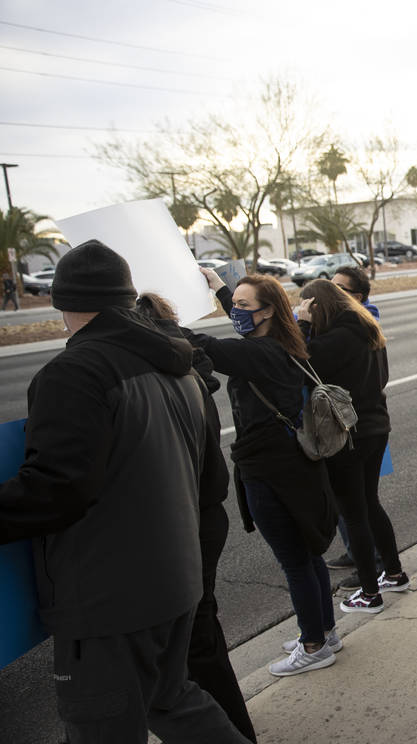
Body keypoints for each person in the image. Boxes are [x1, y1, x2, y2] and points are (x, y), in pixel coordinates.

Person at [0, 240, 250, 743]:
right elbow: (207, 480)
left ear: (61, 303)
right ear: (125, 297)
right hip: (176, 580)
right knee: (174, 701)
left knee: (102, 725)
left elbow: (56, 490)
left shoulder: (74, 373)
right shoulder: (179, 368)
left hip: (106, 599)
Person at [191, 269, 339, 678]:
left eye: (243, 306)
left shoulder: (260, 354)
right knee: (309, 555)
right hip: (294, 465)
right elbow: (239, 328)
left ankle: (313, 646)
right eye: (233, 304)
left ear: (269, 311)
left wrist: (158, 319)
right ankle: (324, 631)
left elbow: (201, 344)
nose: (235, 312)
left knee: (294, 560)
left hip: (270, 470)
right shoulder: (284, 343)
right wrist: (220, 287)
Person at [135, 292, 258, 742]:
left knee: (192, 647)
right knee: (202, 638)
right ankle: (233, 727)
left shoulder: (165, 380)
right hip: (202, 515)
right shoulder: (187, 373)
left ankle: (230, 731)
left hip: (187, 520)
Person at [296, 279, 409, 614]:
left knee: (353, 512)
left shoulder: (336, 338)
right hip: (376, 426)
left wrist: (302, 325)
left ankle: (370, 592)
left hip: (349, 434)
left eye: (307, 308)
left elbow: (301, 365)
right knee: (369, 504)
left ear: (318, 307)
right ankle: (394, 572)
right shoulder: (366, 328)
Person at [324, 264, 383, 577]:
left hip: (358, 427)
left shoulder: (359, 327)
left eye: (340, 288)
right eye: (330, 285)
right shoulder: (347, 325)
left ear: (357, 296)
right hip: (363, 424)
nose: (332, 292)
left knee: (360, 502)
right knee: (355, 502)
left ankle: (371, 566)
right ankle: (359, 554)